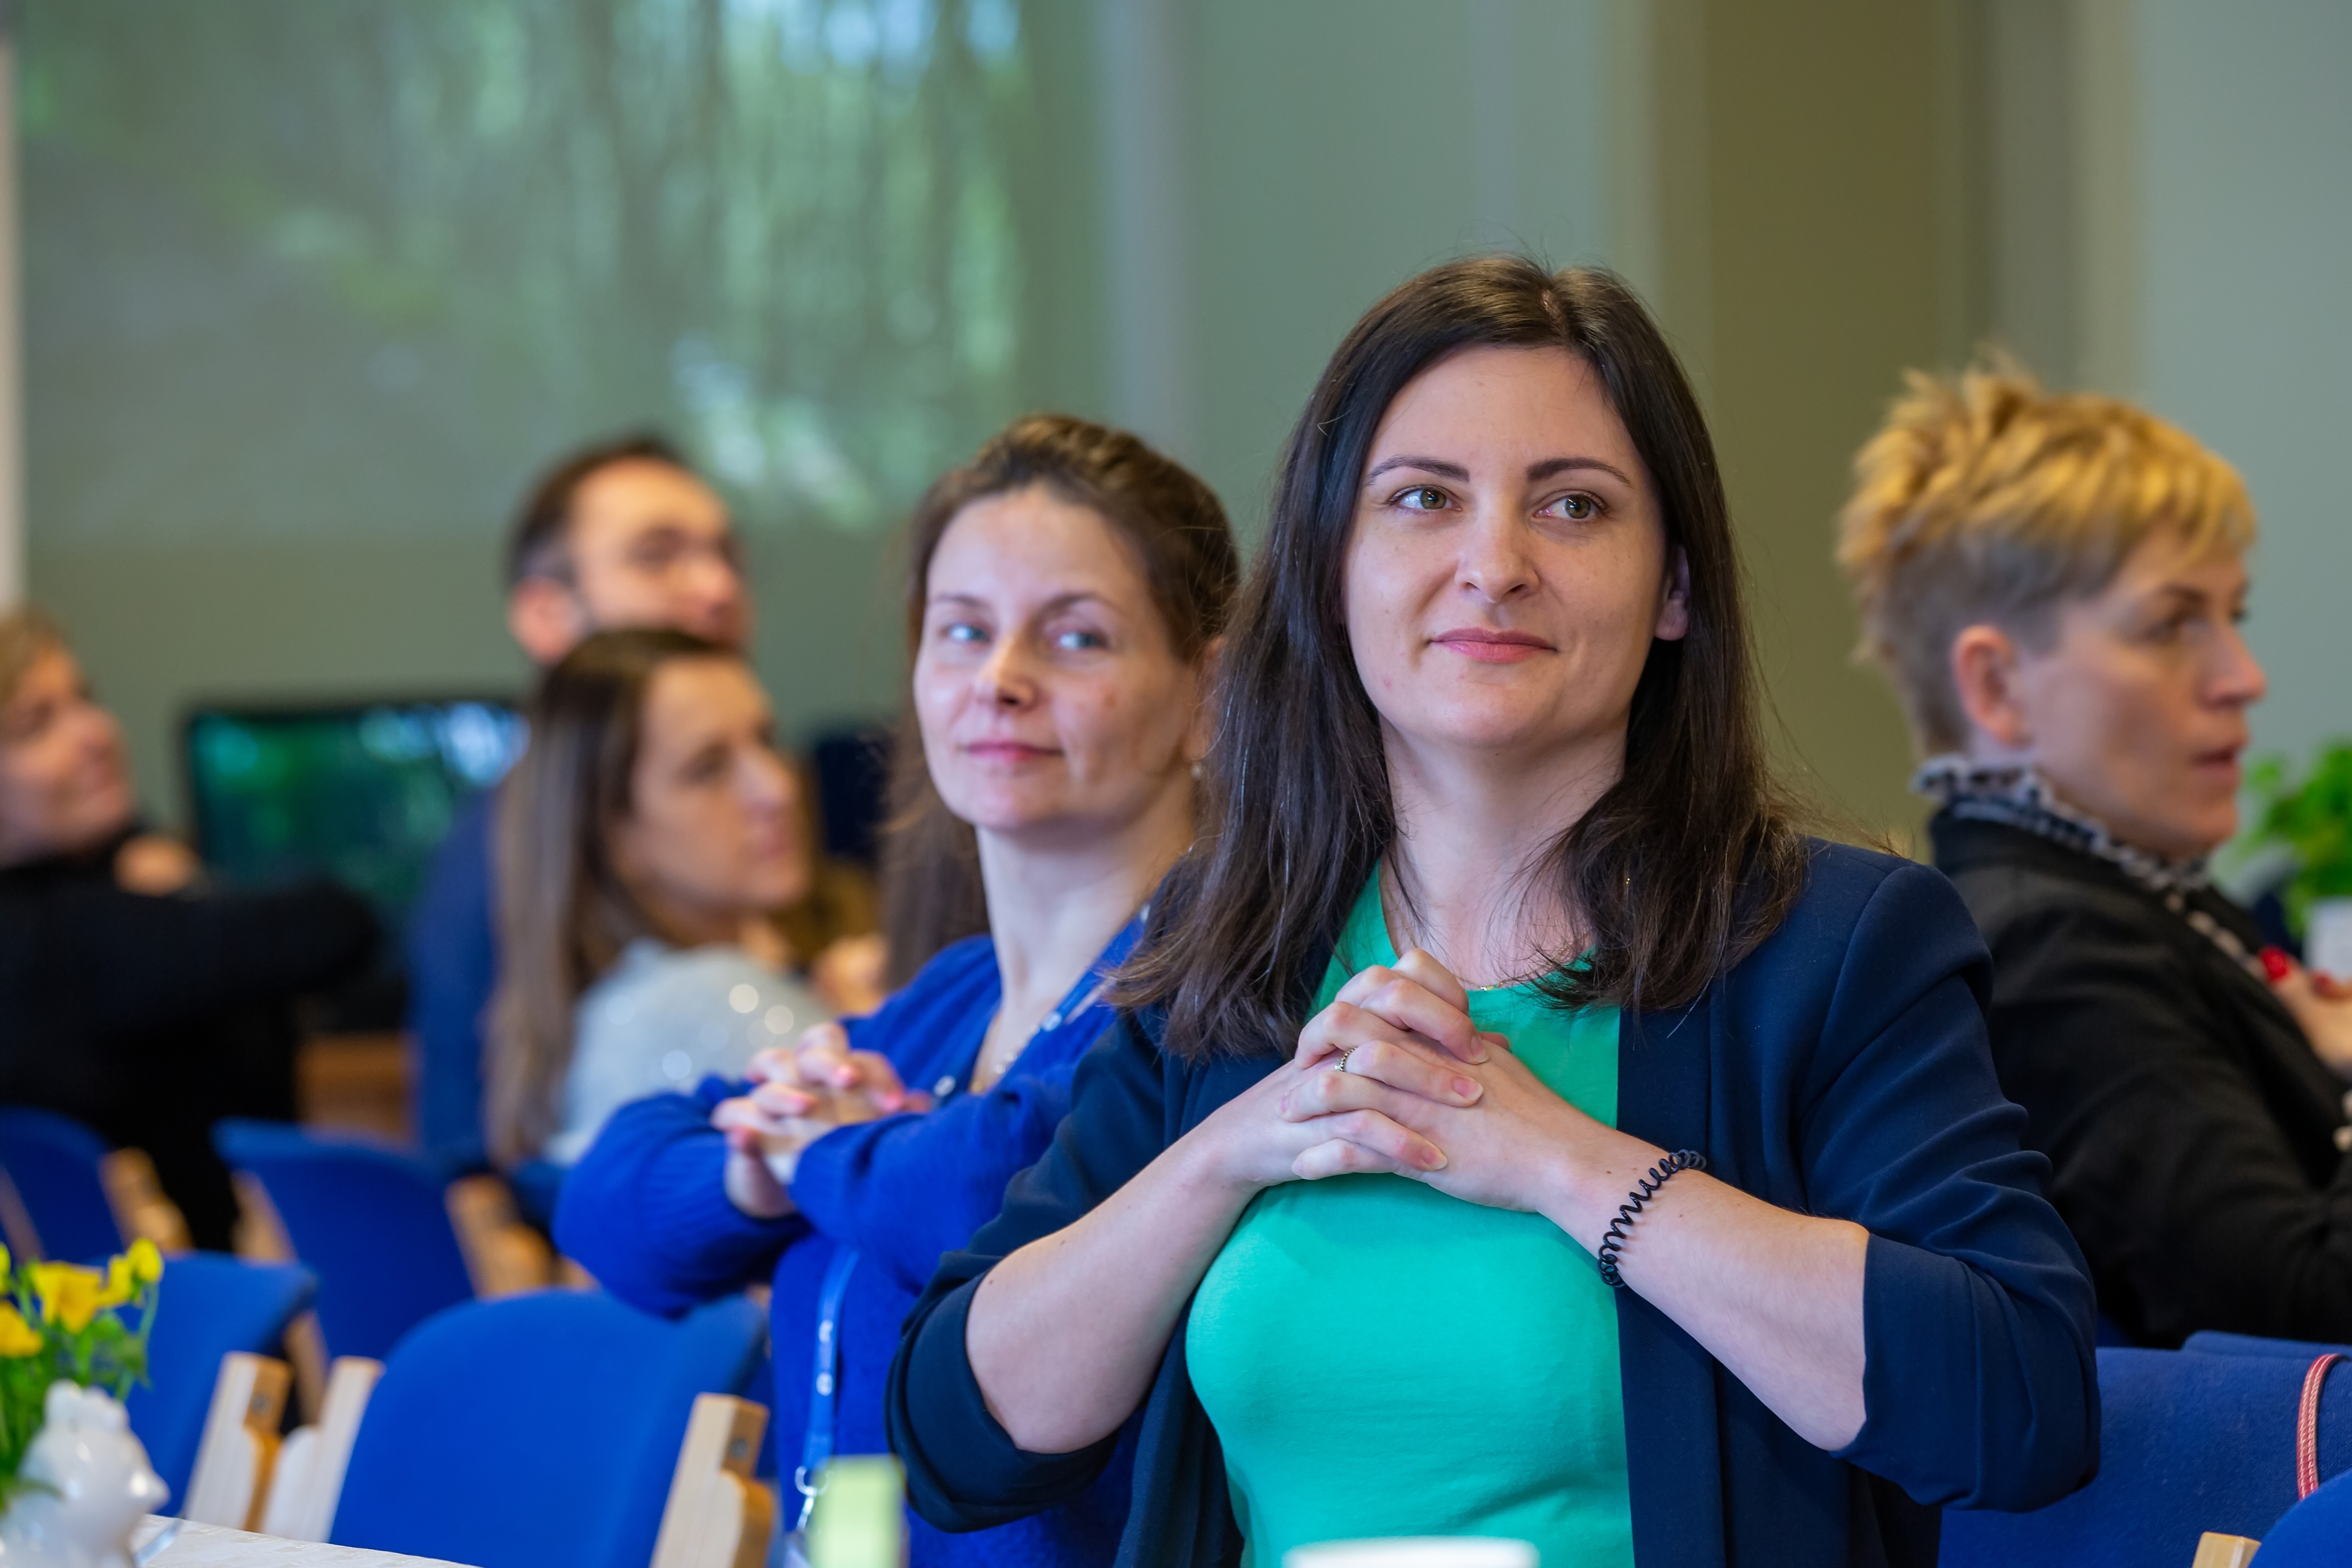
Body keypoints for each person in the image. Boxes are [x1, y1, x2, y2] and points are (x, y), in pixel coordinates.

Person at [886, 261, 2099, 1568]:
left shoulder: (1832, 944)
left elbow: (2017, 1404)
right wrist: (1230, 1150)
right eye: (1423, 498)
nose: (1493, 565)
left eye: (1573, 505)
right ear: (1331, 569)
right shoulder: (1240, 943)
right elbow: (958, 1436)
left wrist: (1565, 1164)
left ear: (1675, 587)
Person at [556, 414, 1238, 1566]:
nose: (1000, 680)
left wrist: (822, 1151)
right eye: (962, 630)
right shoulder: (946, 1003)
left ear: (1209, 693)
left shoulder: (1218, 998)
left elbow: (994, 1184)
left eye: (1075, 637)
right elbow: (609, 1208)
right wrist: (759, 1168)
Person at [1840, 358, 2352, 1348]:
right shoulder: (2052, 945)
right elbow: (2299, 1323)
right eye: (2172, 624)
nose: (2242, 676)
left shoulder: (2135, 894)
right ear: (1997, 686)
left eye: (2232, 616)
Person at [407, 433, 752, 1171]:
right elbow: (471, 1151)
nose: (718, 587)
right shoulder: (503, 846)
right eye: (656, 556)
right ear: (546, 616)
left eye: (727, 555)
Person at [0, 608, 376, 1248]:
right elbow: (341, 923)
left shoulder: (105, 900)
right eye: (38, 724)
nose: (95, 732)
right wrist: (188, 892)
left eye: (85, 699)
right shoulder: (66, 936)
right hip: (185, 1299)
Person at [486, 628, 831, 1166]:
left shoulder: (609, 1005)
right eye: (708, 768)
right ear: (613, 833)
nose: (777, 788)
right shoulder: (714, 997)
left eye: (766, 739)